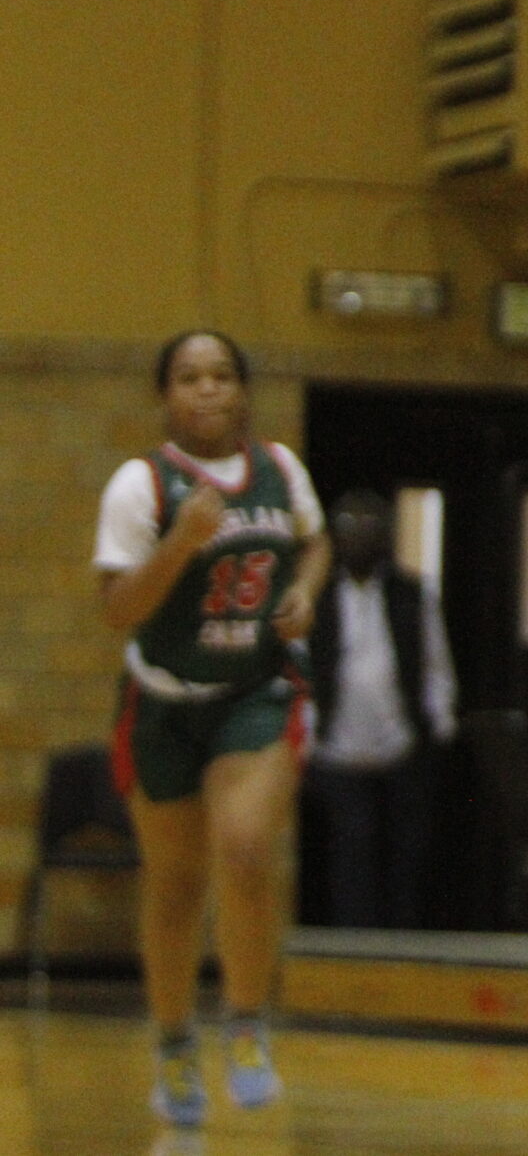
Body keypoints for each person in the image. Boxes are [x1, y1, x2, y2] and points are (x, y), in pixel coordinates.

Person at [92, 330, 327, 1128]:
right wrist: (181, 542)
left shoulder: (280, 468)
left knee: (248, 845)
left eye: (221, 375)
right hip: (161, 701)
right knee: (177, 883)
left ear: (242, 390)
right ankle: (172, 1041)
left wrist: (305, 587)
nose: (206, 390)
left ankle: (248, 1022)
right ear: (166, 394)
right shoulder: (141, 484)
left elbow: (314, 539)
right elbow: (118, 607)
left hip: (253, 691)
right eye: (189, 377)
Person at [303, 487, 456, 929]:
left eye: (370, 529)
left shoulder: (410, 594)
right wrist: (309, 731)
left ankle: (402, 938)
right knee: (353, 846)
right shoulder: (318, 596)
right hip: (337, 745)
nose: (360, 540)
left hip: (400, 740)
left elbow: (435, 663)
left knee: (408, 848)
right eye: (349, 530)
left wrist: (438, 721)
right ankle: (354, 939)